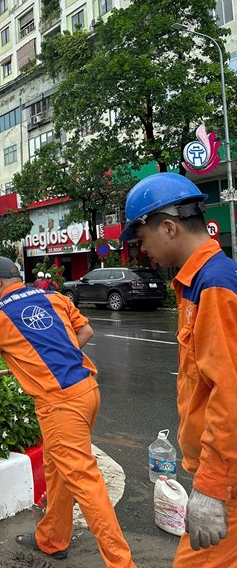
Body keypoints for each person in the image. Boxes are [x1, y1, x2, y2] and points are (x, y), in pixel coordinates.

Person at [0, 256, 136, 568]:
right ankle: (52, 539)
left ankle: (121, 563)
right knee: (58, 470)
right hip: (87, 390)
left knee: (85, 481)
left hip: (60, 404)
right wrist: (55, 357)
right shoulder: (53, 297)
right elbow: (85, 331)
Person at [120, 173, 237, 567]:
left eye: (141, 239)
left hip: (229, 480)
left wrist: (212, 488)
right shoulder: (200, 282)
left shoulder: (214, 285)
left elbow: (229, 392)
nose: (142, 251)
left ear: (168, 227)